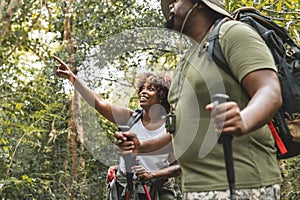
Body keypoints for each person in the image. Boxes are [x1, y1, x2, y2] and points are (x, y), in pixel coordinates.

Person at [115, 0, 283, 199]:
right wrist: (142, 146)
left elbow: (270, 90)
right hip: (193, 189)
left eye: (176, 0)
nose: (170, 6)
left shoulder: (232, 33)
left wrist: (244, 119)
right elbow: (179, 129)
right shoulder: (186, 60)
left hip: (241, 184)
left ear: (200, 4)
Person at [53, 55, 181, 200]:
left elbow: (178, 168)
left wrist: (151, 175)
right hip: (124, 189)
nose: (143, 92)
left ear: (162, 95)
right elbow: (100, 103)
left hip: (155, 191)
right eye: (142, 89)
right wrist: (73, 78)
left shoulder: (169, 128)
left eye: (150, 89)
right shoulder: (131, 118)